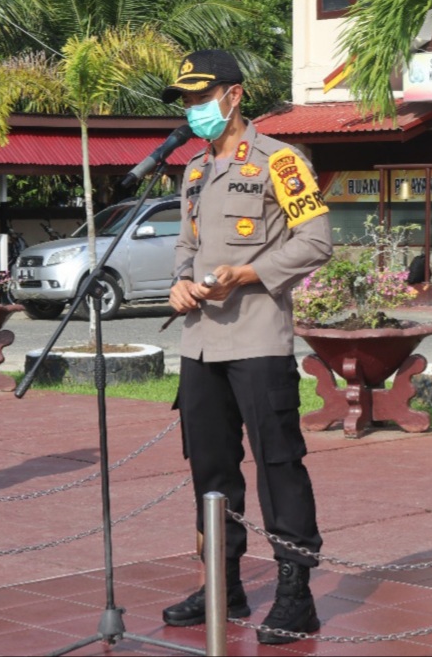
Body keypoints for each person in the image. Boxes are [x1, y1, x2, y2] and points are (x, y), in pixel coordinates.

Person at [159, 49, 332, 645]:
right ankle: (223, 585)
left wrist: (248, 274)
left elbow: (315, 242)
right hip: (200, 344)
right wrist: (180, 282)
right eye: (186, 100)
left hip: (258, 340)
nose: (193, 109)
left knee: (278, 466)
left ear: (233, 96)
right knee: (210, 468)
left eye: (201, 97)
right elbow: (186, 246)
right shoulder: (194, 170)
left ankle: (295, 595)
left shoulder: (281, 162)